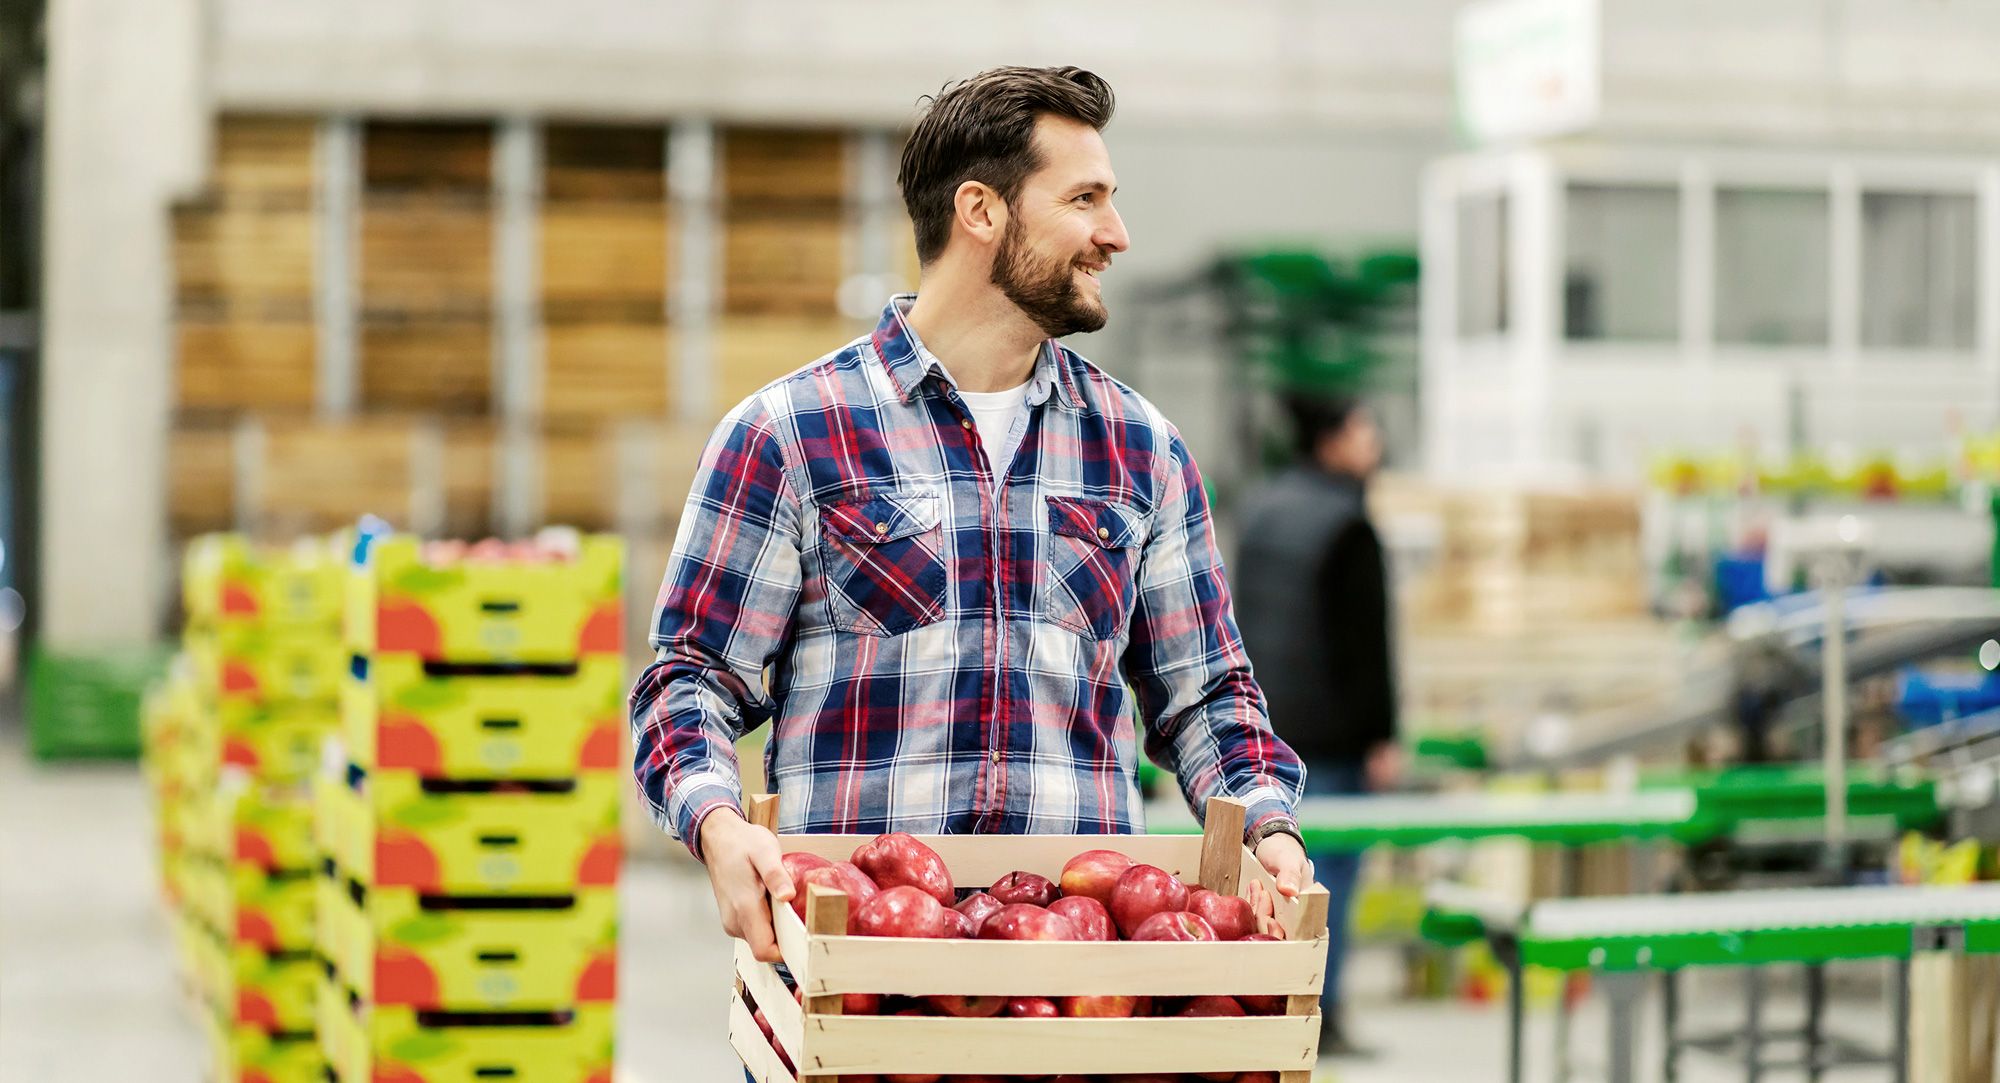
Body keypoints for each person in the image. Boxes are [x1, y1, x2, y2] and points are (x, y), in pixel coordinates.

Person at [629, 65, 1309, 984]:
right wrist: (716, 822)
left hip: (1074, 992)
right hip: (855, 978)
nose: (1117, 233)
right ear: (981, 212)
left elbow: (1208, 695)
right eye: (1085, 199)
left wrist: (1266, 824)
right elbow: (689, 681)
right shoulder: (789, 435)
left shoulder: (1143, 449)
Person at [1232, 395, 1402, 1057]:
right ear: (1332, 439)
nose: (1373, 439)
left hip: (1271, 732)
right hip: (1334, 737)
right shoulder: (1347, 522)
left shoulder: (1265, 508)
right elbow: (1369, 647)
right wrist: (1381, 735)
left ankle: (1278, 1000)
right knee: (1327, 881)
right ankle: (1321, 1011)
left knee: (1277, 887)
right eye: (1362, 425)